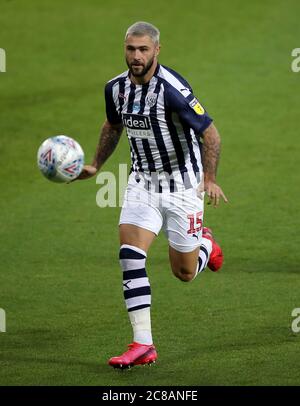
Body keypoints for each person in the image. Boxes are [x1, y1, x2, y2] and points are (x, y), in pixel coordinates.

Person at [77, 21, 228, 369]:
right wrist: (96, 165)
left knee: (184, 273)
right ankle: (143, 344)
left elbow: (212, 135)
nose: (136, 56)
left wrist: (210, 179)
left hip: (182, 188)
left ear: (157, 50)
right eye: (131, 49)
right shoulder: (115, 88)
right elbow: (112, 125)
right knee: (130, 255)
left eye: (143, 49)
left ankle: (206, 243)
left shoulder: (173, 89)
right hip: (142, 184)